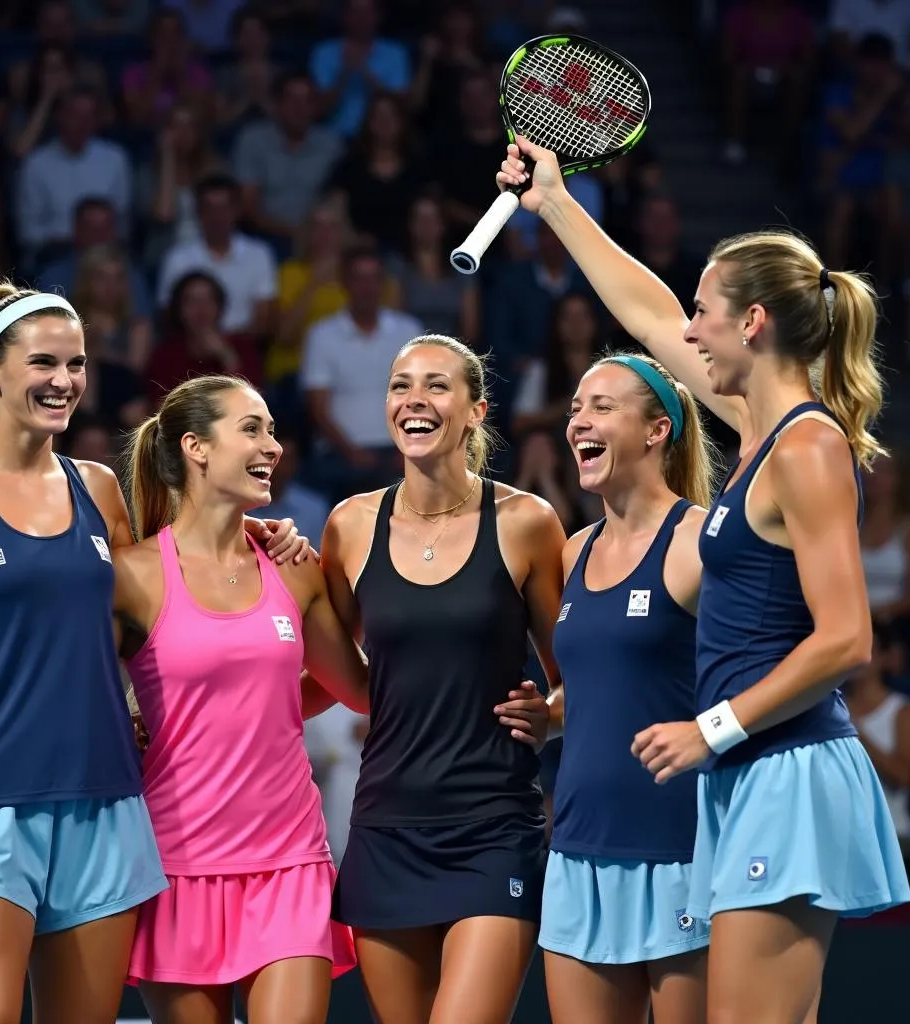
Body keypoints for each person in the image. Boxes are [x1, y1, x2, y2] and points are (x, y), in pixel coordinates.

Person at [497, 137, 910, 1023]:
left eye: (704, 312)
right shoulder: (760, 436)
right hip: (753, 768)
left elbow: (846, 639)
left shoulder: (806, 444)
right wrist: (559, 205)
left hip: (785, 766)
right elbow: (646, 319)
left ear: (752, 321)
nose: (687, 331)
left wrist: (707, 729)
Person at [0, 283, 305, 1024]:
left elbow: (165, 608)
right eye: (43, 362)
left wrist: (256, 535)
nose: (64, 381)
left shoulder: (101, 489)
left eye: (75, 363)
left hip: (107, 809)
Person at [323, 333, 563, 1024]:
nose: (414, 399)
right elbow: (336, 674)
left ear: (475, 411)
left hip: (494, 826)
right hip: (386, 827)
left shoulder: (526, 523)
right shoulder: (350, 524)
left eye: (435, 385)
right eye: (401, 385)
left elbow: (577, 674)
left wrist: (552, 713)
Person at [115, 374, 369, 1024]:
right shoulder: (133, 574)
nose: (273, 446)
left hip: (291, 861)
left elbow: (358, 691)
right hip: (176, 864)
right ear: (196, 447)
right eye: (252, 429)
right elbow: (64, 688)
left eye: (274, 431)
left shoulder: (294, 566)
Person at [542, 352, 715, 1024]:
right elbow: (603, 686)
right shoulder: (573, 549)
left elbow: (769, 673)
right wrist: (548, 714)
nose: (579, 421)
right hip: (579, 846)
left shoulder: (700, 540)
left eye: (601, 407)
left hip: (681, 846)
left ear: (655, 431)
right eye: (575, 410)